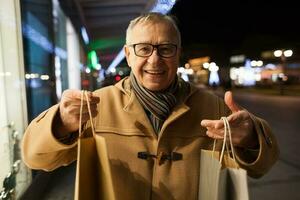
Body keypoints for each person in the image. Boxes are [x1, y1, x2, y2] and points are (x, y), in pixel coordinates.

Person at [21, 12, 279, 199]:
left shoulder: (215, 108)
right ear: (128, 53)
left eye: (166, 48)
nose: (155, 60)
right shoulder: (96, 105)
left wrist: (250, 137)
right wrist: (61, 123)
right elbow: (36, 158)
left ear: (178, 53)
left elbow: (263, 166)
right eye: (144, 48)